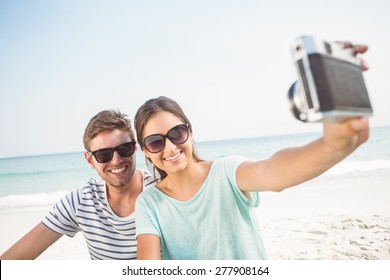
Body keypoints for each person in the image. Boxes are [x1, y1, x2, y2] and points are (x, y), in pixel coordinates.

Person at [133, 44, 370, 260]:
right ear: (146, 150)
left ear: (190, 132)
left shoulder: (226, 172)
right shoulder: (149, 204)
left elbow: (272, 173)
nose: (170, 147)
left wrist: (331, 145)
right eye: (156, 142)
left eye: (176, 134)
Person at [0, 110, 158, 260]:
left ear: (134, 148)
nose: (116, 160)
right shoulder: (81, 201)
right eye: (103, 154)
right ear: (90, 160)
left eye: (124, 149)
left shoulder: (162, 191)